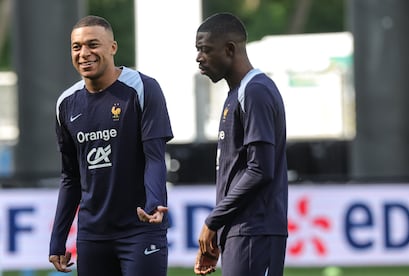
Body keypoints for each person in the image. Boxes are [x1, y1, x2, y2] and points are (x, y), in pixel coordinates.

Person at [48, 15, 173, 276]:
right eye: (77, 47)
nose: (84, 53)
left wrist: (154, 203)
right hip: (93, 234)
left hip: (140, 227)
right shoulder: (66, 103)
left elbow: (155, 156)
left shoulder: (142, 88)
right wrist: (58, 239)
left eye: (93, 44)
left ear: (113, 47)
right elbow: (70, 177)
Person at [194, 13, 288, 276]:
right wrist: (220, 232)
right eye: (198, 50)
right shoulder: (236, 94)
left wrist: (213, 221)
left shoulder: (255, 91)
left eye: (205, 49)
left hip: (255, 230)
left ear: (230, 49)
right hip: (240, 232)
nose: (199, 57)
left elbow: (260, 170)